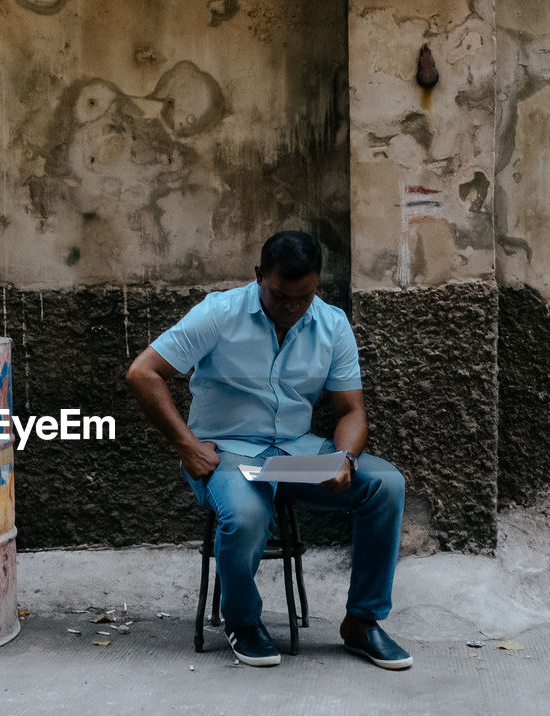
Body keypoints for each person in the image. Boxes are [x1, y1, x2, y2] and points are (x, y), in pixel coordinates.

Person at [125, 230, 410, 670]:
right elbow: (143, 373)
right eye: (281, 296)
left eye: (305, 297)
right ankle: (242, 621)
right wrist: (187, 446)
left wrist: (345, 459)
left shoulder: (332, 324)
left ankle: (362, 622)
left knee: (386, 485)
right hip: (228, 452)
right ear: (260, 276)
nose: (293, 308)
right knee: (244, 515)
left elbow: (351, 411)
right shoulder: (219, 314)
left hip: (296, 452)